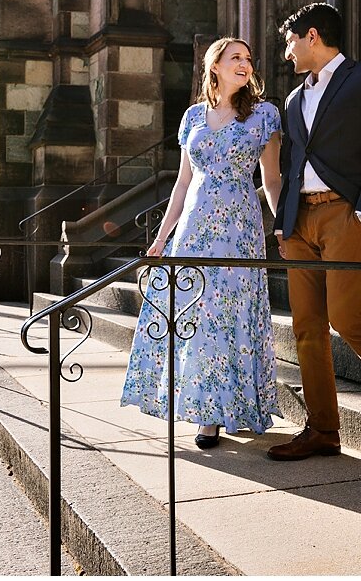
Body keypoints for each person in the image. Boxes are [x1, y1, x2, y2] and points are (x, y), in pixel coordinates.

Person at [120, 37, 283, 449]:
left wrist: (284, 224)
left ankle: (240, 406)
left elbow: (272, 178)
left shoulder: (264, 115)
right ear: (216, 67)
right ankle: (206, 413)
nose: (244, 64)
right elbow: (183, 182)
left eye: (248, 58)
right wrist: (161, 238)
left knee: (231, 316)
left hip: (238, 232)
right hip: (193, 231)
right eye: (236, 58)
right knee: (196, 317)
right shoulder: (193, 116)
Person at [267, 2, 361, 462]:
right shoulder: (293, 100)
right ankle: (323, 430)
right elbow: (290, 163)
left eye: (289, 42)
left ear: (313, 37)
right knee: (308, 327)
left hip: (345, 216)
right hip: (298, 223)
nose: (286, 52)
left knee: (347, 318)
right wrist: (283, 221)